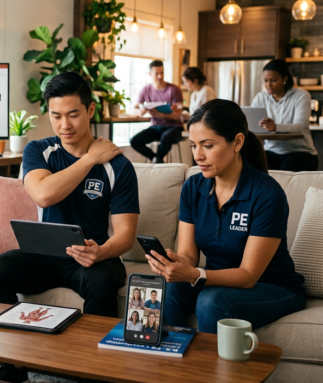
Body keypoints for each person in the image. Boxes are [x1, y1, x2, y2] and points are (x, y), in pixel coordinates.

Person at [0, 72, 139, 383]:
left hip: (92, 256)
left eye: (73, 114)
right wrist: (89, 158)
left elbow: (126, 234)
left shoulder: (118, 166)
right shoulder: (38, 151)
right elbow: (43, 193)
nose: (64, 125)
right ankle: (12, 364)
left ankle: (94, 370)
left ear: (90, 111)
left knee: (103, 280)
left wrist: (102, 252)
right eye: (55, 116)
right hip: (44, 255)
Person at [147, 99, 305, 334]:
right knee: (170, 288)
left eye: (207, 145)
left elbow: (248, 276)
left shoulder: (267, 194)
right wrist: (177, 266)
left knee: (212, 301)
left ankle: (212, 371)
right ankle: (175, 359)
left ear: (237, 142)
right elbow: (189, 253)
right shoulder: (193, 187)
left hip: (272, 287)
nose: (197, 155)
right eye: (193, 145)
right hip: (216, 282)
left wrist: (195, 274)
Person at [251, 59, 318, 171]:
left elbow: (301, 125)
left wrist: (276, 127)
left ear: (285, 78)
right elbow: (251, 123)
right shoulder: (260, 97)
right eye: (265, 80)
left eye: (273, 80)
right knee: (252, 165)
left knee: (288, 167)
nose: (268, 85)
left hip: (300, 151)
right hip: (271, 151)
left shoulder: (301, 95)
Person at [130, 60, 185, 163]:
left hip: (174, 128)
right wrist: (141, 109)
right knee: (134, 141)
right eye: (157, 74)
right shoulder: (146, 90)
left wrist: (161, 115)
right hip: (156, 127)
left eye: (162, 73)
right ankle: (155, 158)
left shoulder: (174, 89)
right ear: (150, 74)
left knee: (166, 137)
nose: (160, 76)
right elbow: (135, 107)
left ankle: (158, 160)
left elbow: (178, 115)